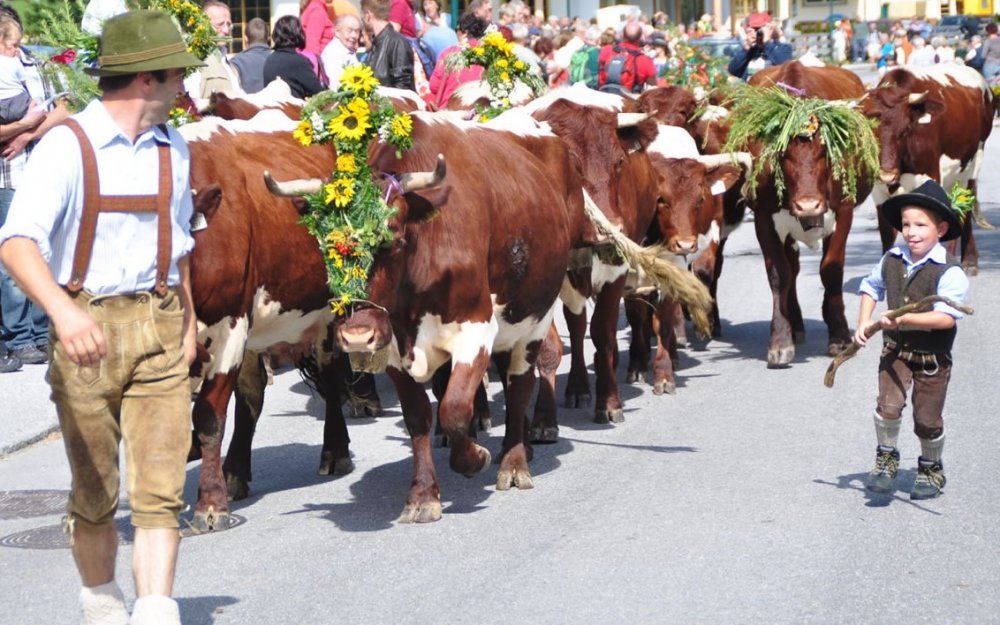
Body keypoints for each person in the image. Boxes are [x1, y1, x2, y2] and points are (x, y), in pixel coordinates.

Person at [0, 9, 202, 624]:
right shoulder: (68, 146)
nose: (182, 88)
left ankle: (156, 610)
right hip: (86, 329)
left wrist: (189, 322)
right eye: (175, 76)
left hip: (162, 330)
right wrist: (62, 313)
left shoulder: (176, 148)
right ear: (146, 78)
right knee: (95, 495)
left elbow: (181, 244)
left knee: (161, 493)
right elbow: (15, 243)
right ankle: (100, 603)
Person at [854, 180, 970, 500]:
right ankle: (886, 459)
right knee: (887, 406)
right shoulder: (892, 258)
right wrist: (864, 321)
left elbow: (946, 317)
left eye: (920, 224)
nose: (911, 231)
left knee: (927, 420)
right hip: (895, 351)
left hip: (933, 359)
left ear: (941, 228)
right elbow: (870, 287)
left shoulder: (949, 271)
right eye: (906, 224)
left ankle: (931, 467)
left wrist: (906, 318)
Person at [428, 12, 487, 108]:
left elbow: (434, 86)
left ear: (465, 32)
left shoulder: (448, 53)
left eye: (457, 30)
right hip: (481, 111)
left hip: (450, 111)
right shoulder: (490, 53)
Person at [183, 0, 240, 99]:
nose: (226, 30)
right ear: (204, 25)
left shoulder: (230, 65)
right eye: (220, 24)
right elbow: (189, 106)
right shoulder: (195, 62)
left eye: (229, 24)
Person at [263, 15, 326, 98]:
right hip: (292, 108)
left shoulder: (269, 59)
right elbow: (318, 91)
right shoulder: (299, 61)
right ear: (298, 33)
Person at [362, 0, 414, 90]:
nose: (362, 19)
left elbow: (402, 87)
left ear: (368, 15)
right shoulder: (375, 44)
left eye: (362, 15)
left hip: (393, 103)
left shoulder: (397, 42)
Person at [728, 12, 791, 80]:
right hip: (749, 89)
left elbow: (785, 68)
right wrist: (746, 49)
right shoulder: (750, 50)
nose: (756, 33)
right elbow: (733, 70)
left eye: (758, 28)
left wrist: (767, 43)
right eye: (753, 29)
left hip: (769, 89)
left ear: (770, 29)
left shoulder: (783, 47)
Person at [597, 21, 655, 94]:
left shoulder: (606, 50)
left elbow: (600, 69)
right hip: (629, 102)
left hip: (605, 99)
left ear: (622, 35)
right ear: (640, 37)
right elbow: (653, 87)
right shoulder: (645, 60)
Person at [229, 16, 271, 93]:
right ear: (267, 38)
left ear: (245, 39)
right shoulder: (277, 59)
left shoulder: (236, 62)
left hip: (246, 104)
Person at [320, 14, 361, 90]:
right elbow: (337, 86)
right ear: (337, 32)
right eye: (350, 31)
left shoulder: (346, 49)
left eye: (357, 31)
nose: (354, 35)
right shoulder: (333, 53)